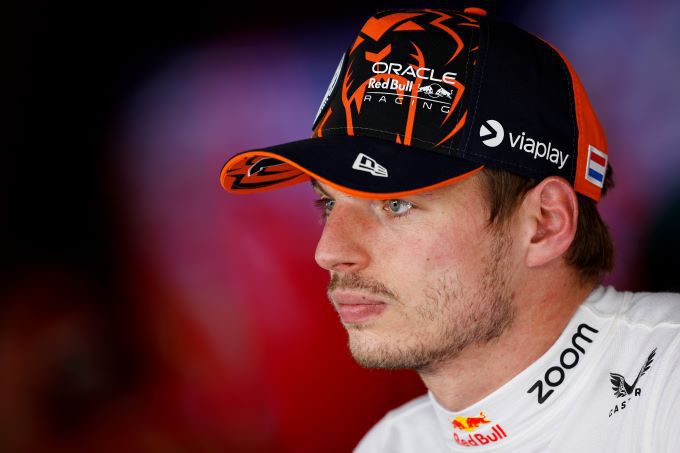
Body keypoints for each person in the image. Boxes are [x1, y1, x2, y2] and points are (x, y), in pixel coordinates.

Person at [219, 5, 680, 452]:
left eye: (396, 204)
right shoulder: (391, 445)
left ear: (545, 224)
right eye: (328, 203)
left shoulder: (668, 383)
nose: (328, 251)